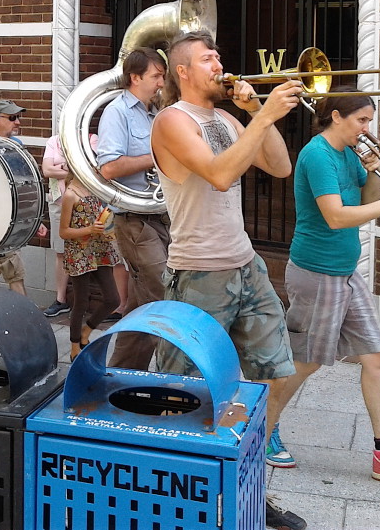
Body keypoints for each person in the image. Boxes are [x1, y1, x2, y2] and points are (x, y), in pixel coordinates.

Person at [149, 31, 306, 530]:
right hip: (199, 273)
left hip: (245, 265)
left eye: (219, 54)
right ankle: (180, 502)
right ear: (183, 72)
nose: (219, 63)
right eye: (207, 58)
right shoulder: (172, 121)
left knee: (268, 377)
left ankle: (249, 490)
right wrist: (261, 117)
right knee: (188, 392)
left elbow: (279, 166)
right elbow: (218, 175)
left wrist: (258, 110)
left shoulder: (226, 118)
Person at [265, 92, 380, 485]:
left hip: (345, 270)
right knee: (304, 361)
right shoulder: (318, 154)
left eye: (369, 120)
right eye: (361, 120)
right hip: (317, 271)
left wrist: (374, 173)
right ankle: (262, 430)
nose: (367, 129)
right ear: (336, 116)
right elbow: (337, 217)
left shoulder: (348, 154)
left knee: (377, 356)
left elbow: (366, 202)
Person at [95, 47, 167, 370]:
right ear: (135, 78)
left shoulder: (155, 111)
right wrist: (158, 157)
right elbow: (108, 167)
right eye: (156, 76)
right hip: (133, 220)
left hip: (159, 215)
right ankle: (176, 377)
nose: (161, 82)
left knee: (140, 305)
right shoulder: (118, 112)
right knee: (164, 295)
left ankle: (119, 374)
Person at [0, 100, 48, 296]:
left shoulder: (17, 146)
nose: (18, 122)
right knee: (15, 272)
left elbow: (25, 185)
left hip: (11, 220)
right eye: (12, 118)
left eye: (18, 117)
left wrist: (33, 219)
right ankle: (25, 321)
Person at [58, 171, 119, 360]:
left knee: (113, 299)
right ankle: (74, 345)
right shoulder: (70, 194)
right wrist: (89, 229)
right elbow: (63, 231)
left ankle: (87, 331)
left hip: (99, 248)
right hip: (79, 252)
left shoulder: (95, 187)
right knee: (81, 301)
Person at [40, 134, 72, 318]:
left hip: (82, 202)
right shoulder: (54, 141)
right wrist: (70, 170)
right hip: (58, 201)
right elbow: (46, 170)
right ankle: (61, 299)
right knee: (60, 251)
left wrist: (57, 168)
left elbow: (92, 170)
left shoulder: (91, 139)